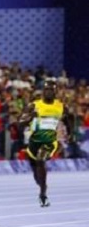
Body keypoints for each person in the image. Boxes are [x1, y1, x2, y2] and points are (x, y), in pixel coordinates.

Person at [18, 79, 72, 207]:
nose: (48, 92)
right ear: (43, 91)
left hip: (50, 142)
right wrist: (30, 117)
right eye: (46, 89)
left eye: (51, 90)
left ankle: (43, 194)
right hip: (34, 142)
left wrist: (70, 134)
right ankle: (43, 185)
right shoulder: (33, 106)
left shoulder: (61, 107)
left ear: (55, 91)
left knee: (40, 159)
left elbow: (69, 120)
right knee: (36, 173)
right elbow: (20, 124)